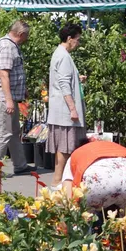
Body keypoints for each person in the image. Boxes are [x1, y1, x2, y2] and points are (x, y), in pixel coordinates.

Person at [60, 140, 126, 214]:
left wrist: (69, 211)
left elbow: (67, 190)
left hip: (100, 178)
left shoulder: (77, 153)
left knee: (82, 223)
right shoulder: (115, 147)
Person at [0, 20, 33, 176]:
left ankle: (20, 165)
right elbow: (4, 74)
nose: (27, 39)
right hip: (4, 97)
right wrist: (8, 100)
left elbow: (13, 72)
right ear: (20, 34)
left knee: (13, 131)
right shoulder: (8, 47)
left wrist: (23, 89)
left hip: (10, 96)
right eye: (26, 36)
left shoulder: (10, 46)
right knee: (3, 133)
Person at [47, 23, 86, 183]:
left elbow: (64, 79)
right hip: (64, 111)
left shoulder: (60, 54)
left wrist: (77, 79)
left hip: (61, 109)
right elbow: (63, 83)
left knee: (63, 147)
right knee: (64, 147)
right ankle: (58, 181)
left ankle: (60, 180)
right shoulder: (63, 56)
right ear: (69, 38)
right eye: (77, 39)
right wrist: (73, 109)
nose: (78, 43)